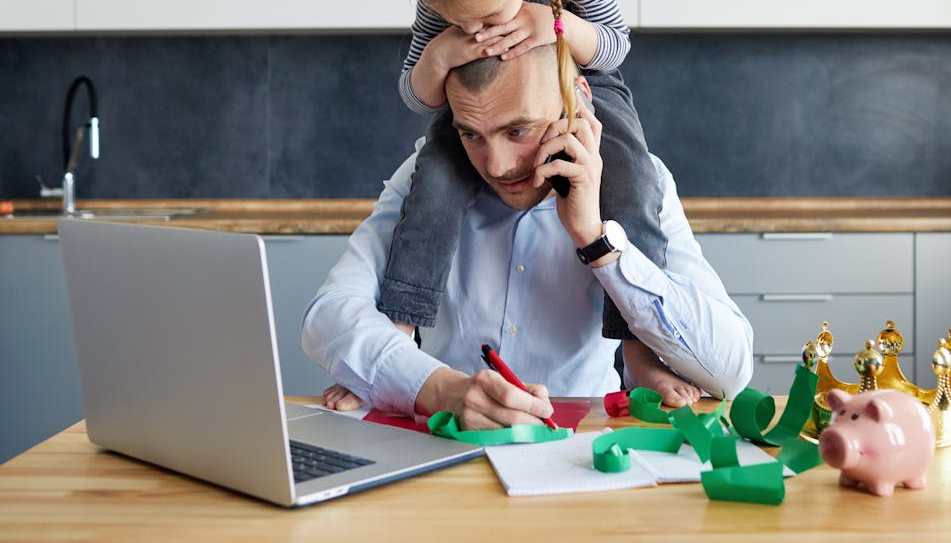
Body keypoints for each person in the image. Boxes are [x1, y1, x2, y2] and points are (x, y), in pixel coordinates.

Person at [302, 44, 754, 429]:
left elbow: (731, 369)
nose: (496, 164)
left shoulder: (641, 182)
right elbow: (329, 317)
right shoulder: (426, 181)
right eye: (471, 134)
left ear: (575, 99)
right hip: (446, 455)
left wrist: (598, 242)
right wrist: (439, 390)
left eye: (517, 130)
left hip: (586, 459)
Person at [379, 0, 670, 386]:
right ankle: (398, 330)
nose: (473, 30)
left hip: (578, 77)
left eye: (486, 18)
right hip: (481, 102)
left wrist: (554, 25)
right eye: (457, 20)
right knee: (435, 182)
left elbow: (614, 44)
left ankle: (641, 349)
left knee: (631, 179)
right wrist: (442, 54)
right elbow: (416, 97)